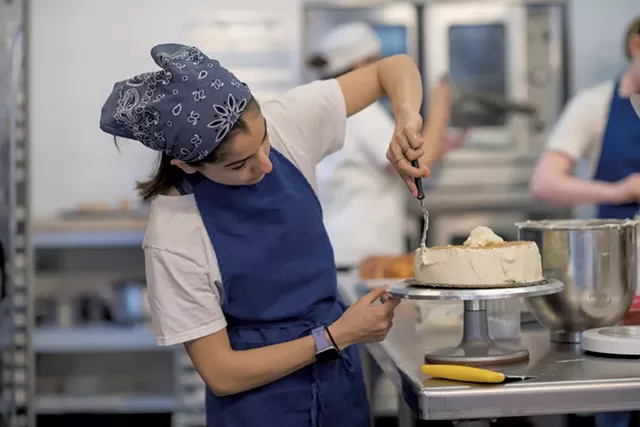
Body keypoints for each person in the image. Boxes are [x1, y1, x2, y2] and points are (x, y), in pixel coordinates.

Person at [99, 43, 431, 426]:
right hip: (259, 406)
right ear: (187, 165)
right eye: (240, 164)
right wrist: (334, 337)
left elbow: (392, 68)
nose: (266, 165)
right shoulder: (174, 233)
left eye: (263, 140)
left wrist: (406, 119)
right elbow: (221, 373)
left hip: (339, 389)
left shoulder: (288, 123)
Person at [530, 16, 640, 427]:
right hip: (616, 281)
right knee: (616, 391)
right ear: (635, 44)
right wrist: (620, 191)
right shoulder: (594, 104)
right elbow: (544, 182)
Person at [308, 22, 465, 268]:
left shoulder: (329, 109)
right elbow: (415, 163)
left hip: (343, 250)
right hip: (363, 255)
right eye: (379, 65)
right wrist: (441, 107)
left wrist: (438, 142)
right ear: (362, 66)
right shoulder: (363, 113)